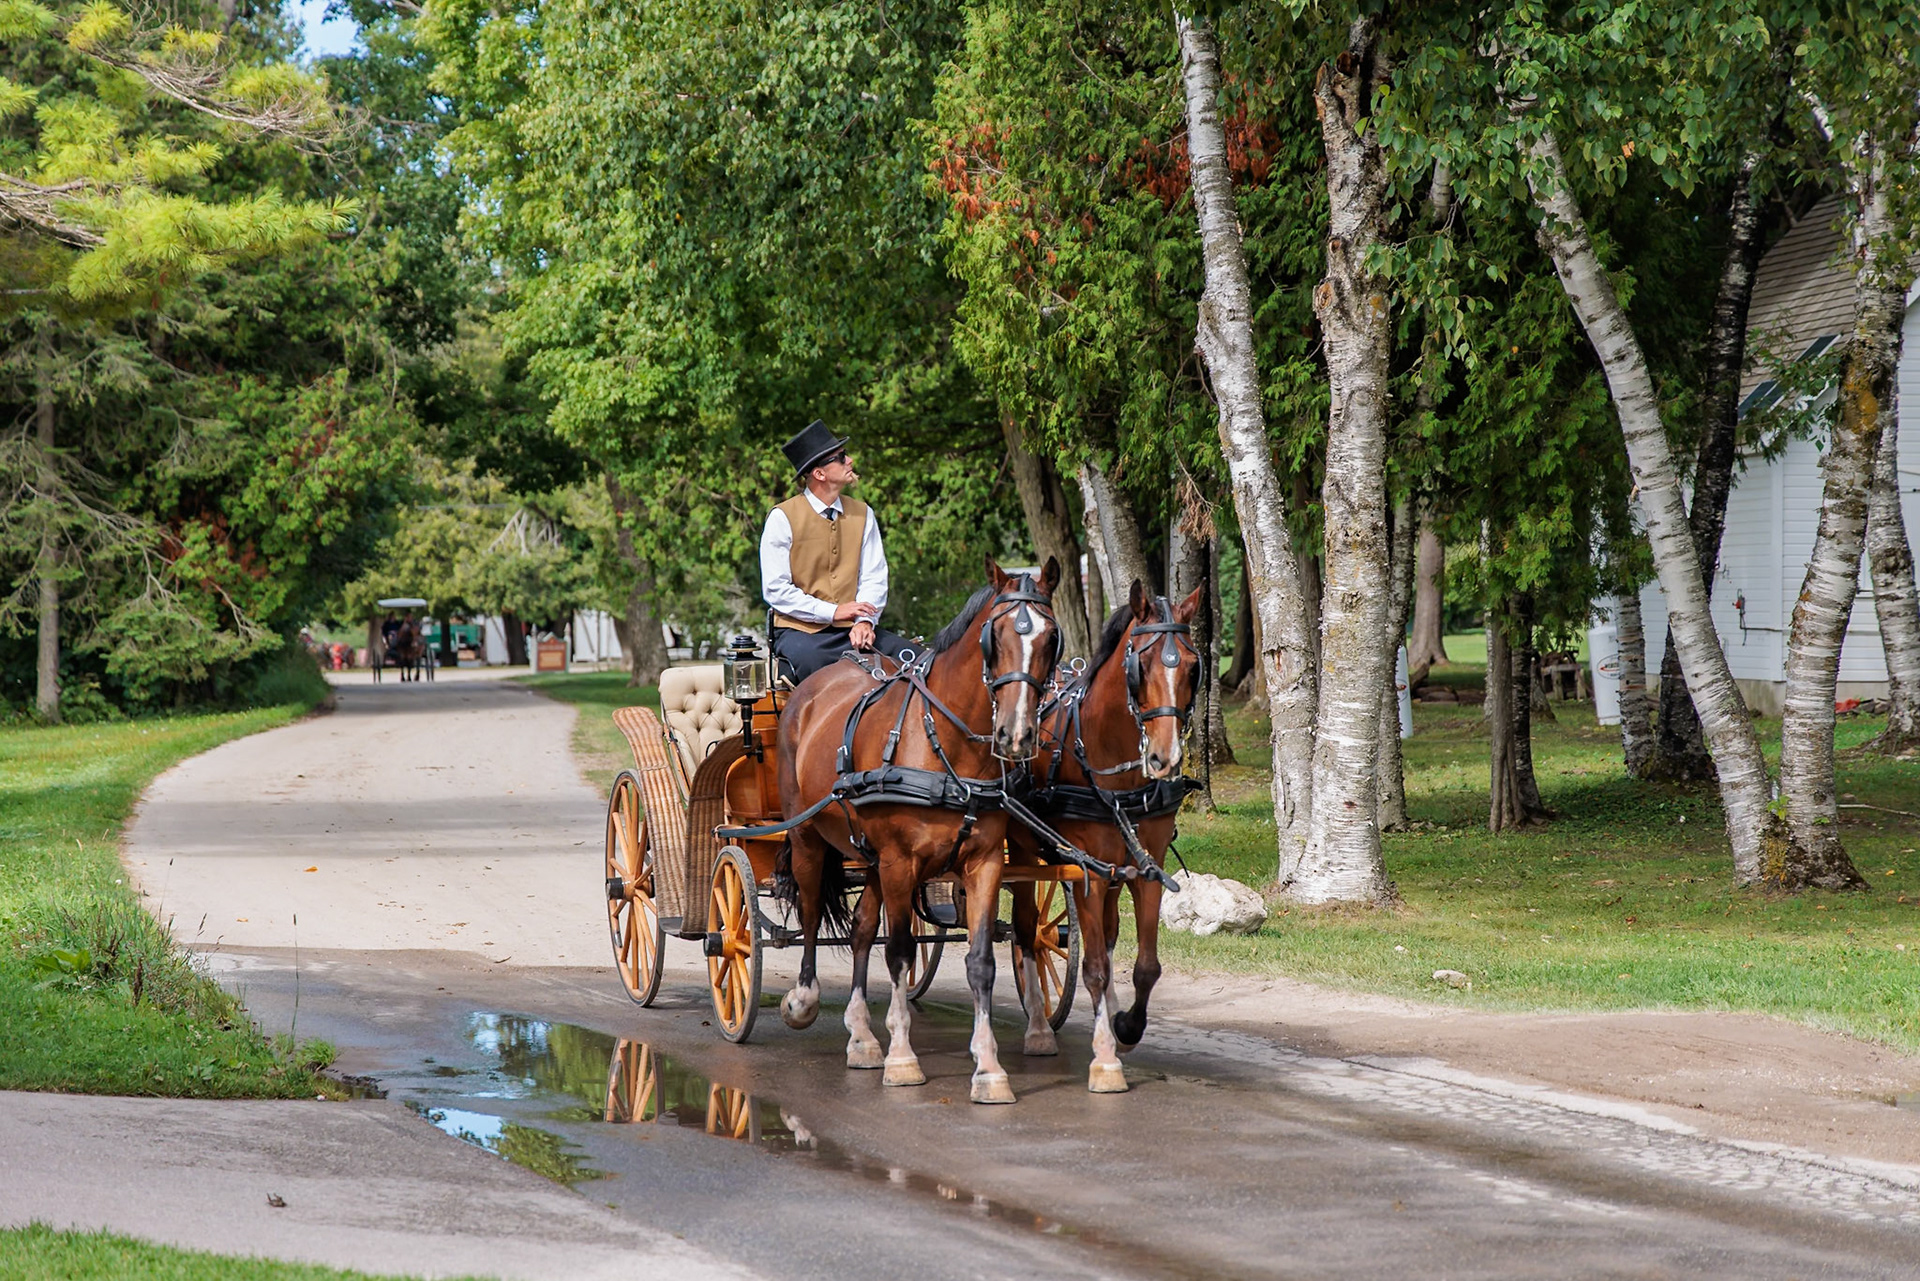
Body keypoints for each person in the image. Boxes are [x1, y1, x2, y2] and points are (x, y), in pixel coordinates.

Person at [760, 420, 911, 685]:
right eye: (841, 458)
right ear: (820, 474)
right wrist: (833, 612)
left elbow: (874, 577)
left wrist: (865, 621)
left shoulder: (864, 513)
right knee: (827, 676)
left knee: (914, 660)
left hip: (853, 630)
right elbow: (775, 590)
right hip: (800, 633)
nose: (850, 460)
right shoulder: (781, 518)